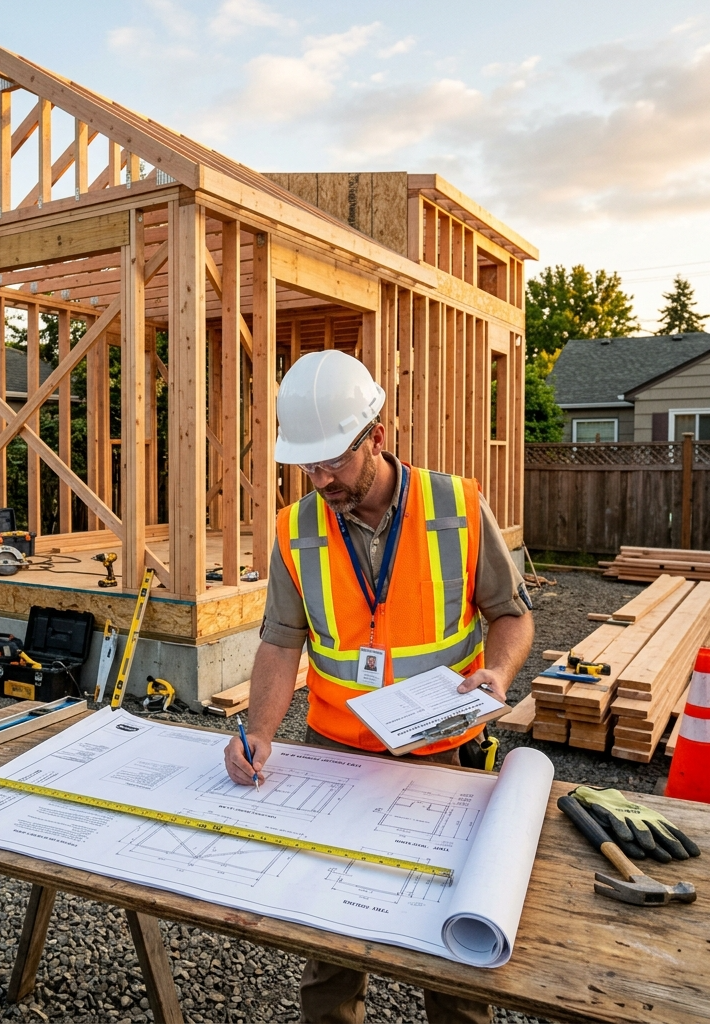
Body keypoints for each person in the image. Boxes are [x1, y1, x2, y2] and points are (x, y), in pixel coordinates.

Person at [223, 350, 534, 1024]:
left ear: (377, 437)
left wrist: (498, 673)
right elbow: (281, 642)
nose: (320, 477)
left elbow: (511, 615)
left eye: (332, 459)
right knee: (329, 937)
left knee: (451, 940)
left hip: (439, 755)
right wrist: (261, 734)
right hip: (335, 750)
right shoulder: (295, 528)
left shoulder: (456, 506)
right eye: (307, 463)